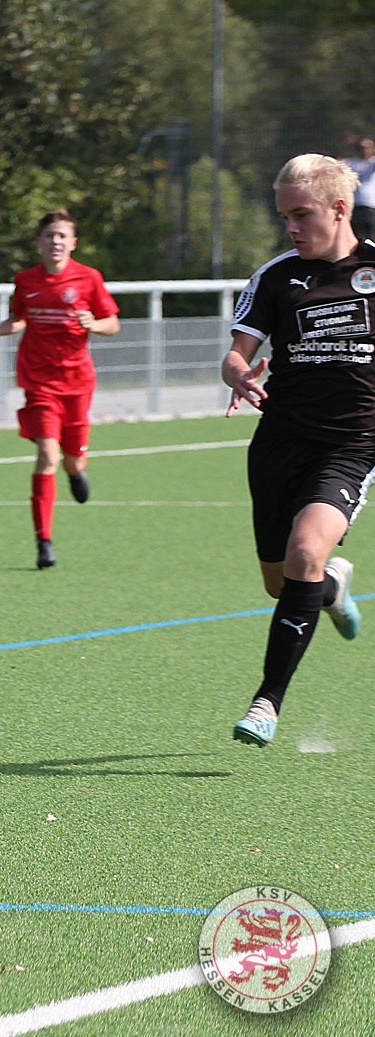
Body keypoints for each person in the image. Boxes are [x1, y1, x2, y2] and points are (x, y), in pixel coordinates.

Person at [221, 154, 371, 748]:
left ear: (339, 209)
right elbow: (236, 353)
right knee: (283, 582)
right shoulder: (277, 277)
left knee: (305, 549)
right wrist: (238, 373)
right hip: (279, 442)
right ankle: (331, 588)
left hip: (354, 444)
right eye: (284, 216)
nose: (291, 227)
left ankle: (267, 703)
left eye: (301, 215)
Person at [0, 209, 120, 569]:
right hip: (38, 381)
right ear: (39, 242)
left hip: (77, 382)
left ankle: (76, 471)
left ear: (73, 243)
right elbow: (19, 318)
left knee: (72, 458)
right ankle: (44, 542)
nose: (55, 241)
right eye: (49, 235)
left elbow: (112, 323)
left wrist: (94, 324)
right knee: (47, 455)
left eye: (62, 236)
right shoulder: (25, 280)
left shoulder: (88, 278)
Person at [348, 138, 375, 243]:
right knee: (356, 235)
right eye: (362, 148)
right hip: (355, 205)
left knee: (369, 236)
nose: (365, 150)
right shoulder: (352, 163)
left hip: (369, 206)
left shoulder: (373, 162)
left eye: (367, 147)